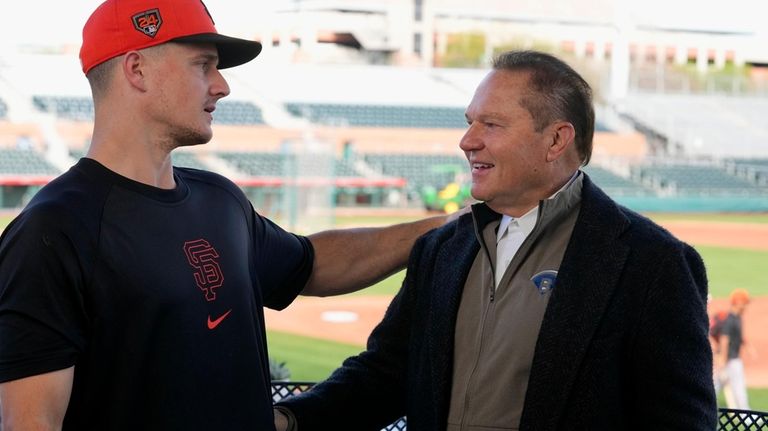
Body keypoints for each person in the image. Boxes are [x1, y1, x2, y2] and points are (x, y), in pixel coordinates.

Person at [0, 0, 449, 429]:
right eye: (203, 64)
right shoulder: (55, 228)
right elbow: (31, 422)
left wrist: (438, 230)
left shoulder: (220, 199)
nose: (223, 85)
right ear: (136, 70)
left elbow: (312, 264)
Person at [274, 50, 717, 430]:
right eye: (470, 123)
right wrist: (291, 420)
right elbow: (387, 375)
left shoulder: (653, 264)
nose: (468, 141)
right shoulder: (443, 248)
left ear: (556, 140)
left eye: (492, 125)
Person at [714, 288, 754, 409]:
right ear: (738, 302)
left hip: (730, 360)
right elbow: (724, 340)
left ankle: (704, 410)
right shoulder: (729, 320)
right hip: (730, 361)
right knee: (737, 388)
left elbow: (739, 337)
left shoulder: (737, 318)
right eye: (745, 303)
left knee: (716, 386)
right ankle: (746, 419)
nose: (747, 306)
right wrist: (723, 359)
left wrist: (748, 347)